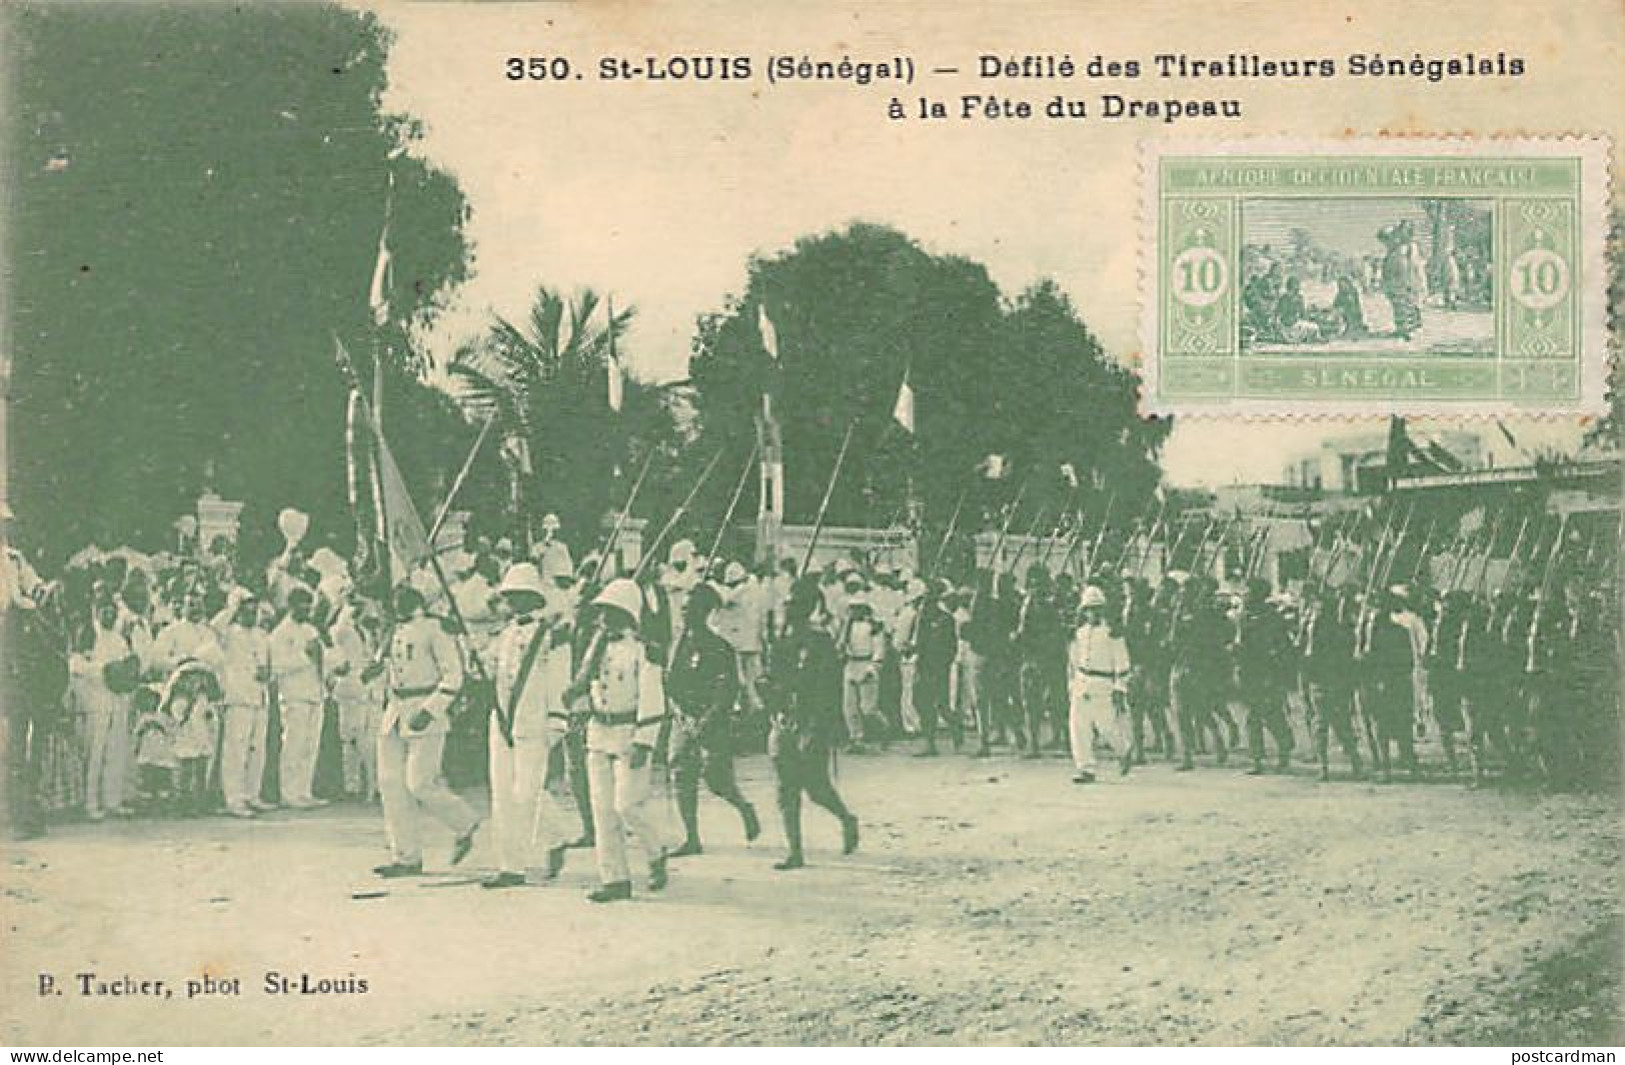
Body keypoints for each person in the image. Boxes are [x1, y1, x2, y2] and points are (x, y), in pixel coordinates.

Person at [373, 584, 481, 878]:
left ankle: (464, 822)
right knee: (391, 784)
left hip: (424, 709)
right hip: (395, 710)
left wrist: (432, 709)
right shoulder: (393, 631)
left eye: (402, 600)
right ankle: (406, 856)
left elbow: (453, 675)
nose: (396, 604)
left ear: (416, 601)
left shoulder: (434, 629)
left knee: (420, 782)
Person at [575, 578, 671, 903]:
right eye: (601, 611)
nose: (602, 618)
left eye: (610, 612)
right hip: (598, 732)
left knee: (627, 805)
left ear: (627, 615)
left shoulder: (643, 653)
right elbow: (587, 687)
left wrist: (645, 742)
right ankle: (614, 878)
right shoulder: (595, 649)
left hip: (630, 732)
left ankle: (656, 852)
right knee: (602, 810)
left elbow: (652, 699)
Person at [483, 563, 578, 889]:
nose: (514, 602)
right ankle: (511, 866)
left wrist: (557, 720)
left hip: (535, 720)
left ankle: (555, 837)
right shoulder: (505, 634)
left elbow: (559, 679)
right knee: (503, 795)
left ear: (534, 598)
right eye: (511, 596)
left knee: (526, 793)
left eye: (521, 595)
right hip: (502, 721)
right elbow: (491, 671)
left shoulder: (552, 635)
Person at [766, 577, 859, 870]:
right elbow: (773, 681)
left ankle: (846, 819)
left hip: (812, 721)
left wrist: (817, 727)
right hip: (784, 721)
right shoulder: (781, 641)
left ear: (806, 608)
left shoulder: (820, 642)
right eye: (787, 604)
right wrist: (773, 704)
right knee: (785, 788)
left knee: (816, 787)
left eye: (795, 605)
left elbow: (828, 689)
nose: (788, 609)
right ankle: (795, 851)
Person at [665, 582, 760, 857]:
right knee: (681, 773)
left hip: (712, 720)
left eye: (691, 610)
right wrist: (681, 715)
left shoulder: (720, 648)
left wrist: (705, 721)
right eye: (683, 609)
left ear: (705, 612)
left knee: (716, 779)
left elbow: (726, 691)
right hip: (683, 719)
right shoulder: (678, 644)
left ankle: (743, 807)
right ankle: (691, 837)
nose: (684, 614)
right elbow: (670, 684)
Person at [72, 596, 139, 820]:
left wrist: (126, 673)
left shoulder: (120, 639)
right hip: (96, 702)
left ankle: (113, 801)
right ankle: (91, 803)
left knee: (116, 752)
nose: (109, 615)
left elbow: (129, 665)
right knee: (95, 754)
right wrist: (105, 670)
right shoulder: (88, 636)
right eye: (104, 612)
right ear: (96, 613)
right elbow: (76, 665)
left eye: (112, 611)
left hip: (118, 701)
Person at [1066, 585, 1131, 783]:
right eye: (1088, 609)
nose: (1092, 613)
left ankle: (1124, 750)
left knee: (1107, 726)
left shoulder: (1112, 634)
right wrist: (1072, 683)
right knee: (1079, 727)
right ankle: (1086, 768)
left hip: (1103, 684)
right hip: (1081, 682)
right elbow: (1073, 661)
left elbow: (1123, 663)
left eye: (1096, 608)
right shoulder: (1079, 633)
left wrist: (1120, 687)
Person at [268, 586, 325, 809]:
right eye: (303, 606)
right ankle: (289, 793)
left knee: (310, 745)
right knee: (294, 744)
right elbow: (277, 666)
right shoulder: (280, 634)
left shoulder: (311, 630)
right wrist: (305, 655)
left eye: (309, 606)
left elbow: (323, 658)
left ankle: (304, 790)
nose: (307, 611)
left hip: (315, 692)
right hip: (294, 695)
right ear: (292, 606)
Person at [215, 591, 271, 816]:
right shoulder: (228, 633)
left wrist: (266, 674)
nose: (250, 614)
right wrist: (232, 608)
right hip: (238, 698)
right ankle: (234, 799)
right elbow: (214, 626)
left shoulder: (261, 634)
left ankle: (252, 794)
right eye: (245, 611)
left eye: (253, 611)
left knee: (257, 750)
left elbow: (267, 664)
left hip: (259, 697)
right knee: (235, 751)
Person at [1233, 578, 1296, 776]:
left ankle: (1285, 748)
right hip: (1248, 672)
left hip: (1267, 673)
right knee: (1252, 717)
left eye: (1248, 591)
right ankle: (1257, 760)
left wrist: (1276, 671)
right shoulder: (1244, 616)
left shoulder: (1271, 618)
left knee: (1271, 715)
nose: (1245, 594)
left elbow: (1282, 647)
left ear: (1259, 595)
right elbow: (1240, 642)